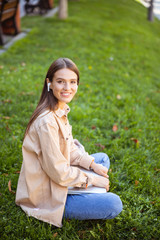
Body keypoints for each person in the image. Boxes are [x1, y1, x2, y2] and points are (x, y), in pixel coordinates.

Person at [15, 58, 122, 227]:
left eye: (72, 82)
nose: (67, 88)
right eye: (60, 82)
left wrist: (92, 165)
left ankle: (90, 189)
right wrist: (92, 180)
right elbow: (59, 173)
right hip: (47, 194)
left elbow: (70, 148)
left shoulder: (59, 108)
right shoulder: (47, 121)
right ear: (49, 83)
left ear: (77, 84)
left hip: (57, 177)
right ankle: (88, 193)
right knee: (114, 204)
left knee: (101, 159)